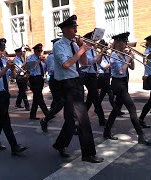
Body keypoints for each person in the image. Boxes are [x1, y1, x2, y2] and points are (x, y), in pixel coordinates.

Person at [51, 15, 103, 163]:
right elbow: (66, 65)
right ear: (66, 29)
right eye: (74, 28)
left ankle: (59, 144)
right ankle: (88, 154)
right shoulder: (59, 45)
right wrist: (80, 50)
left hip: (76, 81)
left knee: (70, 120)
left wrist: (83, 49)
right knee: (83, 119)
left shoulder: (74, 45)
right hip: (66, 84)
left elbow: (85, 63)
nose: (75, 30)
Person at [103, 32, 151, 145]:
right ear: (118, 43)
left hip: (124, 83)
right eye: (125, 42)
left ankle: (106, 132)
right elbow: (120, 71)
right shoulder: (114, 56)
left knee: (116, 109)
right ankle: (141, 135)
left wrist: (131, 59)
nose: (127, 44)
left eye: (127, 42)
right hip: (118, 84)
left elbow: (131, 68)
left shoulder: (123, 54)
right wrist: (127, 59)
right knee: (132, 108)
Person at [0, 38, 27, 156]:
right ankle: (14, 146)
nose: (2, 52)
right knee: (5, 119)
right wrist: (6, 68)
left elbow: (13, 77)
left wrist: (13, 69)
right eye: (0, 49)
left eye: (3, 49)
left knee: (1, 119)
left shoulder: (4, 62)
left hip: (5, 93)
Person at [79, 31, 106, 126]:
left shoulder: (93, 49)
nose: (95, 41)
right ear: (89, 40)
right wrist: (99, 54)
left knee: (91, 98)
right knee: (96, 98)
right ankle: (101, 119)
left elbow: (98, 62)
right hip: (86, 75)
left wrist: (101, 54)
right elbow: (90, 61)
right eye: (93, 39)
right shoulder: (85, 49)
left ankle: (81, 120)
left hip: (93, 75)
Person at [39, 38, 65, 132]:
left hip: (59, 79)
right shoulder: (53, 56)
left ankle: (70, 125)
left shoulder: (54, 55)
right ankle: (45, 119)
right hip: (55, 79)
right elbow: (53, 69)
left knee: (63, 102)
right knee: (61, 102)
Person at [27, 43, 49, 120]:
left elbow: (46, 67)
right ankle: (48, 113)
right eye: (38, 51)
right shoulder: (30, 58)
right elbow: (31, 68)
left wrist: (45, 61)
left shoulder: (41, 58)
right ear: (35, 51)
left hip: (40, 78)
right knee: (39, 96)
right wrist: (38, 61)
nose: (40, 52)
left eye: (41, 50)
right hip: (33, 78)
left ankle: (32, 115)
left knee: (37, 97)